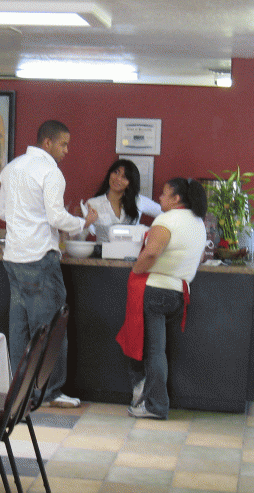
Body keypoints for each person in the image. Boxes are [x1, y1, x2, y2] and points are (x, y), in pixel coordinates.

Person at [0, 119, 98, 408]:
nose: (67, 150)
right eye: (64, 144)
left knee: (20, 330)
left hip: (13, 259)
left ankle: (21, 390)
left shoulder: (12, 168)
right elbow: (56, 218)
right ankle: (51, 392)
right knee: (51, 328)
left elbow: (4, 213)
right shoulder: (51, 173)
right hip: (40, 258)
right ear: (48, 143)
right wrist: (84, 221)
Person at [124, 177, 208, 419]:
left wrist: (136, 269)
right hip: (179, 293)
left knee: (154, 352)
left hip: (156, 291)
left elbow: (151, 253)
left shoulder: (166, 220)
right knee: (160, 351)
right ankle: (154, 401)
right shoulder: (198, 223)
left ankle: (156, 405)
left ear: (176, 199)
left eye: (163, 193)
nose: (159, 198)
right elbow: (199, 257)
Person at [85, 159, 162, 241]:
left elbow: (164, 213)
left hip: (132, 251)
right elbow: (82, 234)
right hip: (102, 251)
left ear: (130, 183)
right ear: (109, 174)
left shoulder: (138, 201)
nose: (118, 179)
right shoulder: (93, 203)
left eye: (124, 177)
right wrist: (86, 222)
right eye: (116, 173)